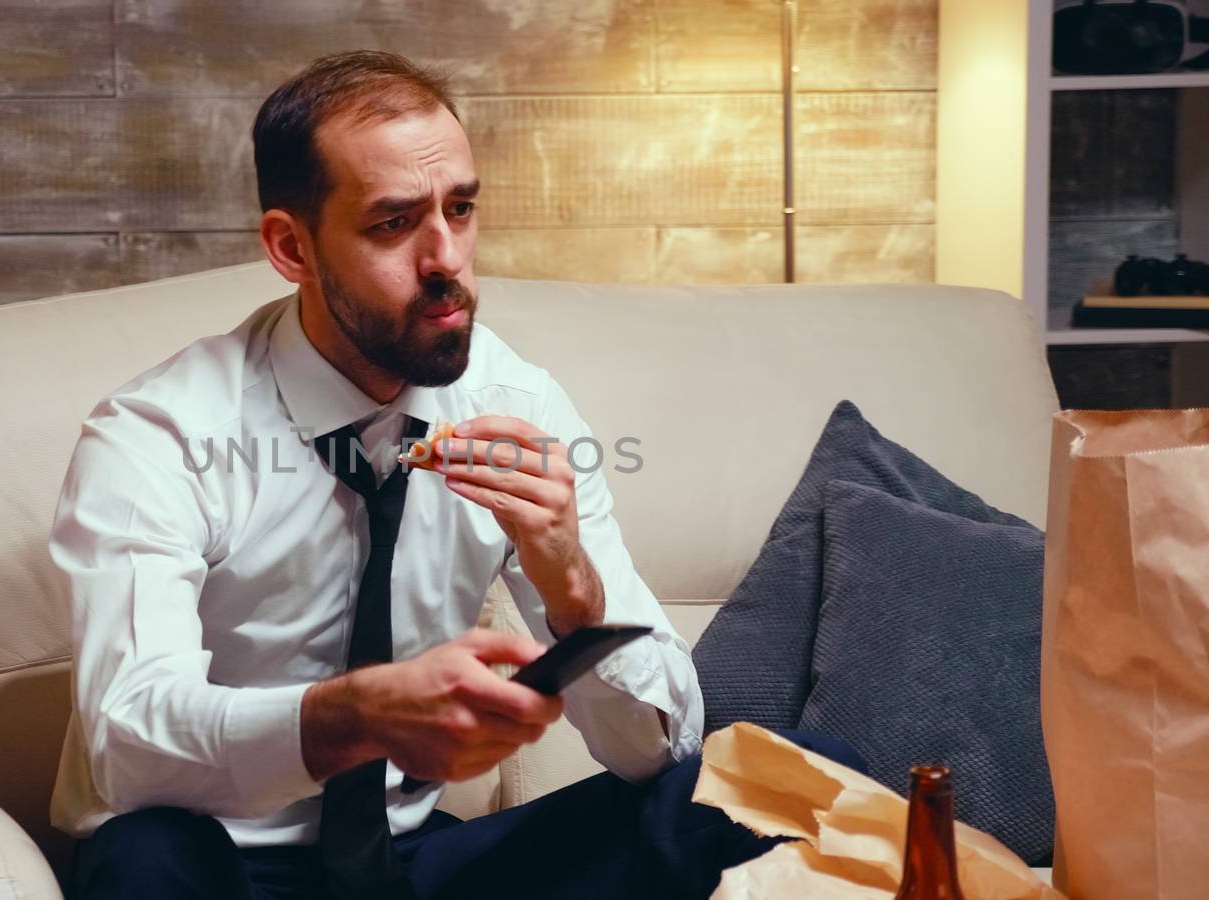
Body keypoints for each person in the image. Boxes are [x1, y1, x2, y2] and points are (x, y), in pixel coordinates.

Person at [47, 50, 863, 899]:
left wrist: (575, 591)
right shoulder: (160, 433)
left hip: (411, 865)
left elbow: (657, 754)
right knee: (146, 860)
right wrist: (355, 717)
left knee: (783, 791)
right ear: (292, 247)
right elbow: (127, 745)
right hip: (217, 860)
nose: (448, 259)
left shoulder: (515, 401)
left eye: (461, 209)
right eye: (394, 223)